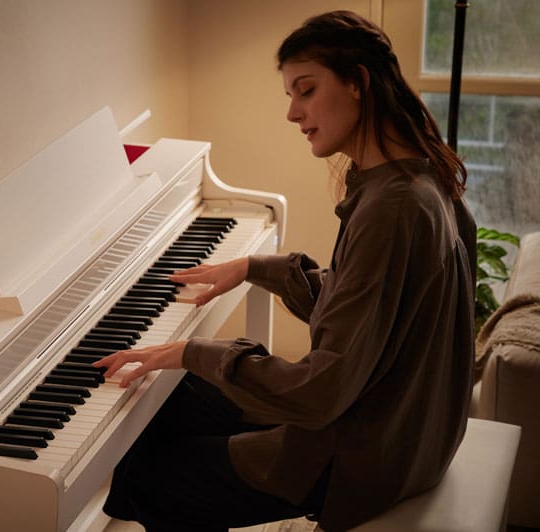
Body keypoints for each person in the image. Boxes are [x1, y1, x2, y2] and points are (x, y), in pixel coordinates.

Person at [94, 10, 477, 532]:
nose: (293, 113)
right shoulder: (421, 174)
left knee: (146, 472)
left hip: (360, 455)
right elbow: (367, 311)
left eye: (307, 90)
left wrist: (189, 350)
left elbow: (319, 393)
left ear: (358, 82)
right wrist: (254, 267)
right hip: (405, 428)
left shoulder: (392, 209)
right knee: (171, 400)